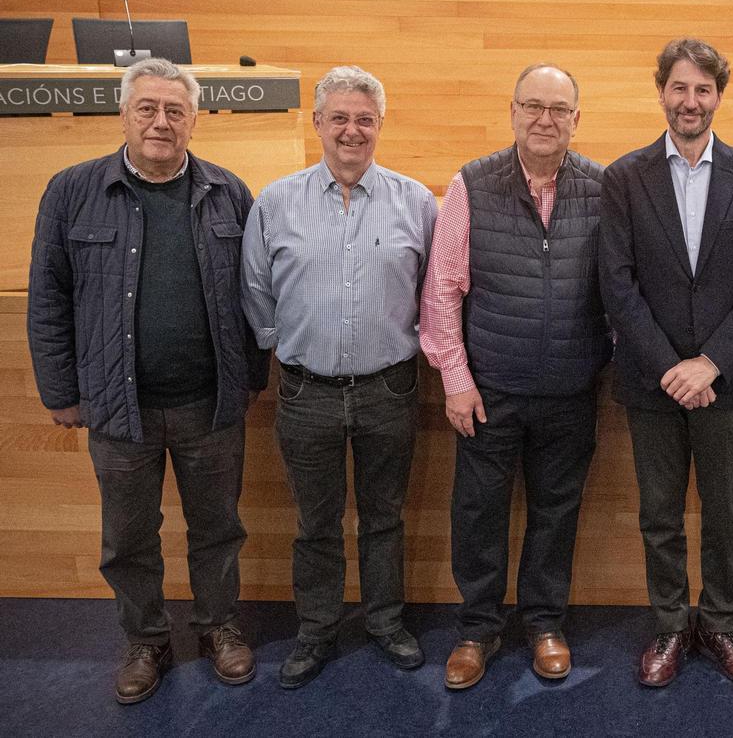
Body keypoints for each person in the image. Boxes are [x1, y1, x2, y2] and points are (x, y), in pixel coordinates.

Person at [27, 58, 266, 704]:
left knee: (218, 528)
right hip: (116, 405)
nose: (162, 121)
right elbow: (48, 296)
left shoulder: (228, 192)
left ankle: (218, 627)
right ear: (124, 115)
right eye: (148, 108)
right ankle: (146, 640)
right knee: (128, 536)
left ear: (194, 120)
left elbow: (254, 295)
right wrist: (60, 391)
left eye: (175, 110)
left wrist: (251, 376)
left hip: (209, 403)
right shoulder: (72, 190)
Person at [241, 65, 437, 688]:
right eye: (340, 119)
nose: (352, 131)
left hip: (390, 389)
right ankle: (317, 631)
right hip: (306, 392)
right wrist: (284, 347)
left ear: (381, 125)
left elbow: (435, 293)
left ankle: (385, 623)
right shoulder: (276, 202)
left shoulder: (416, 202)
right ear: (317, 123)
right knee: (316, 524)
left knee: (384, 517)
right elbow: (255, 289)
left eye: (365, 120)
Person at [600, 38, 733, 687]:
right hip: (651, 383)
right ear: (661, 93)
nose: (691, 100)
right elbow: (617, 283)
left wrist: (710, 363)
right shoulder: (624, 178)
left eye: (703, 89)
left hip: (730, 381)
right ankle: (672, 626)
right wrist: (671, 368)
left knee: (726, 513)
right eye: (679, 87)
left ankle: (723, 625)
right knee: (660, 514)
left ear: (718, 97)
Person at [420, 63, 609, 690]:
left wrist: (603, 355)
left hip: (571, 392)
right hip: (489, 391)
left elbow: (618, 287)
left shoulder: (603, 188)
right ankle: (477, 629)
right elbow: (441, 292)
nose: (544, 119)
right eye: (533, 106)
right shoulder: (471, 184)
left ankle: (545, 623)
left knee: (557, 512)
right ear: (513, 112)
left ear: (576, 119)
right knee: (479, 513)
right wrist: (455, 378)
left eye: (558, 109)